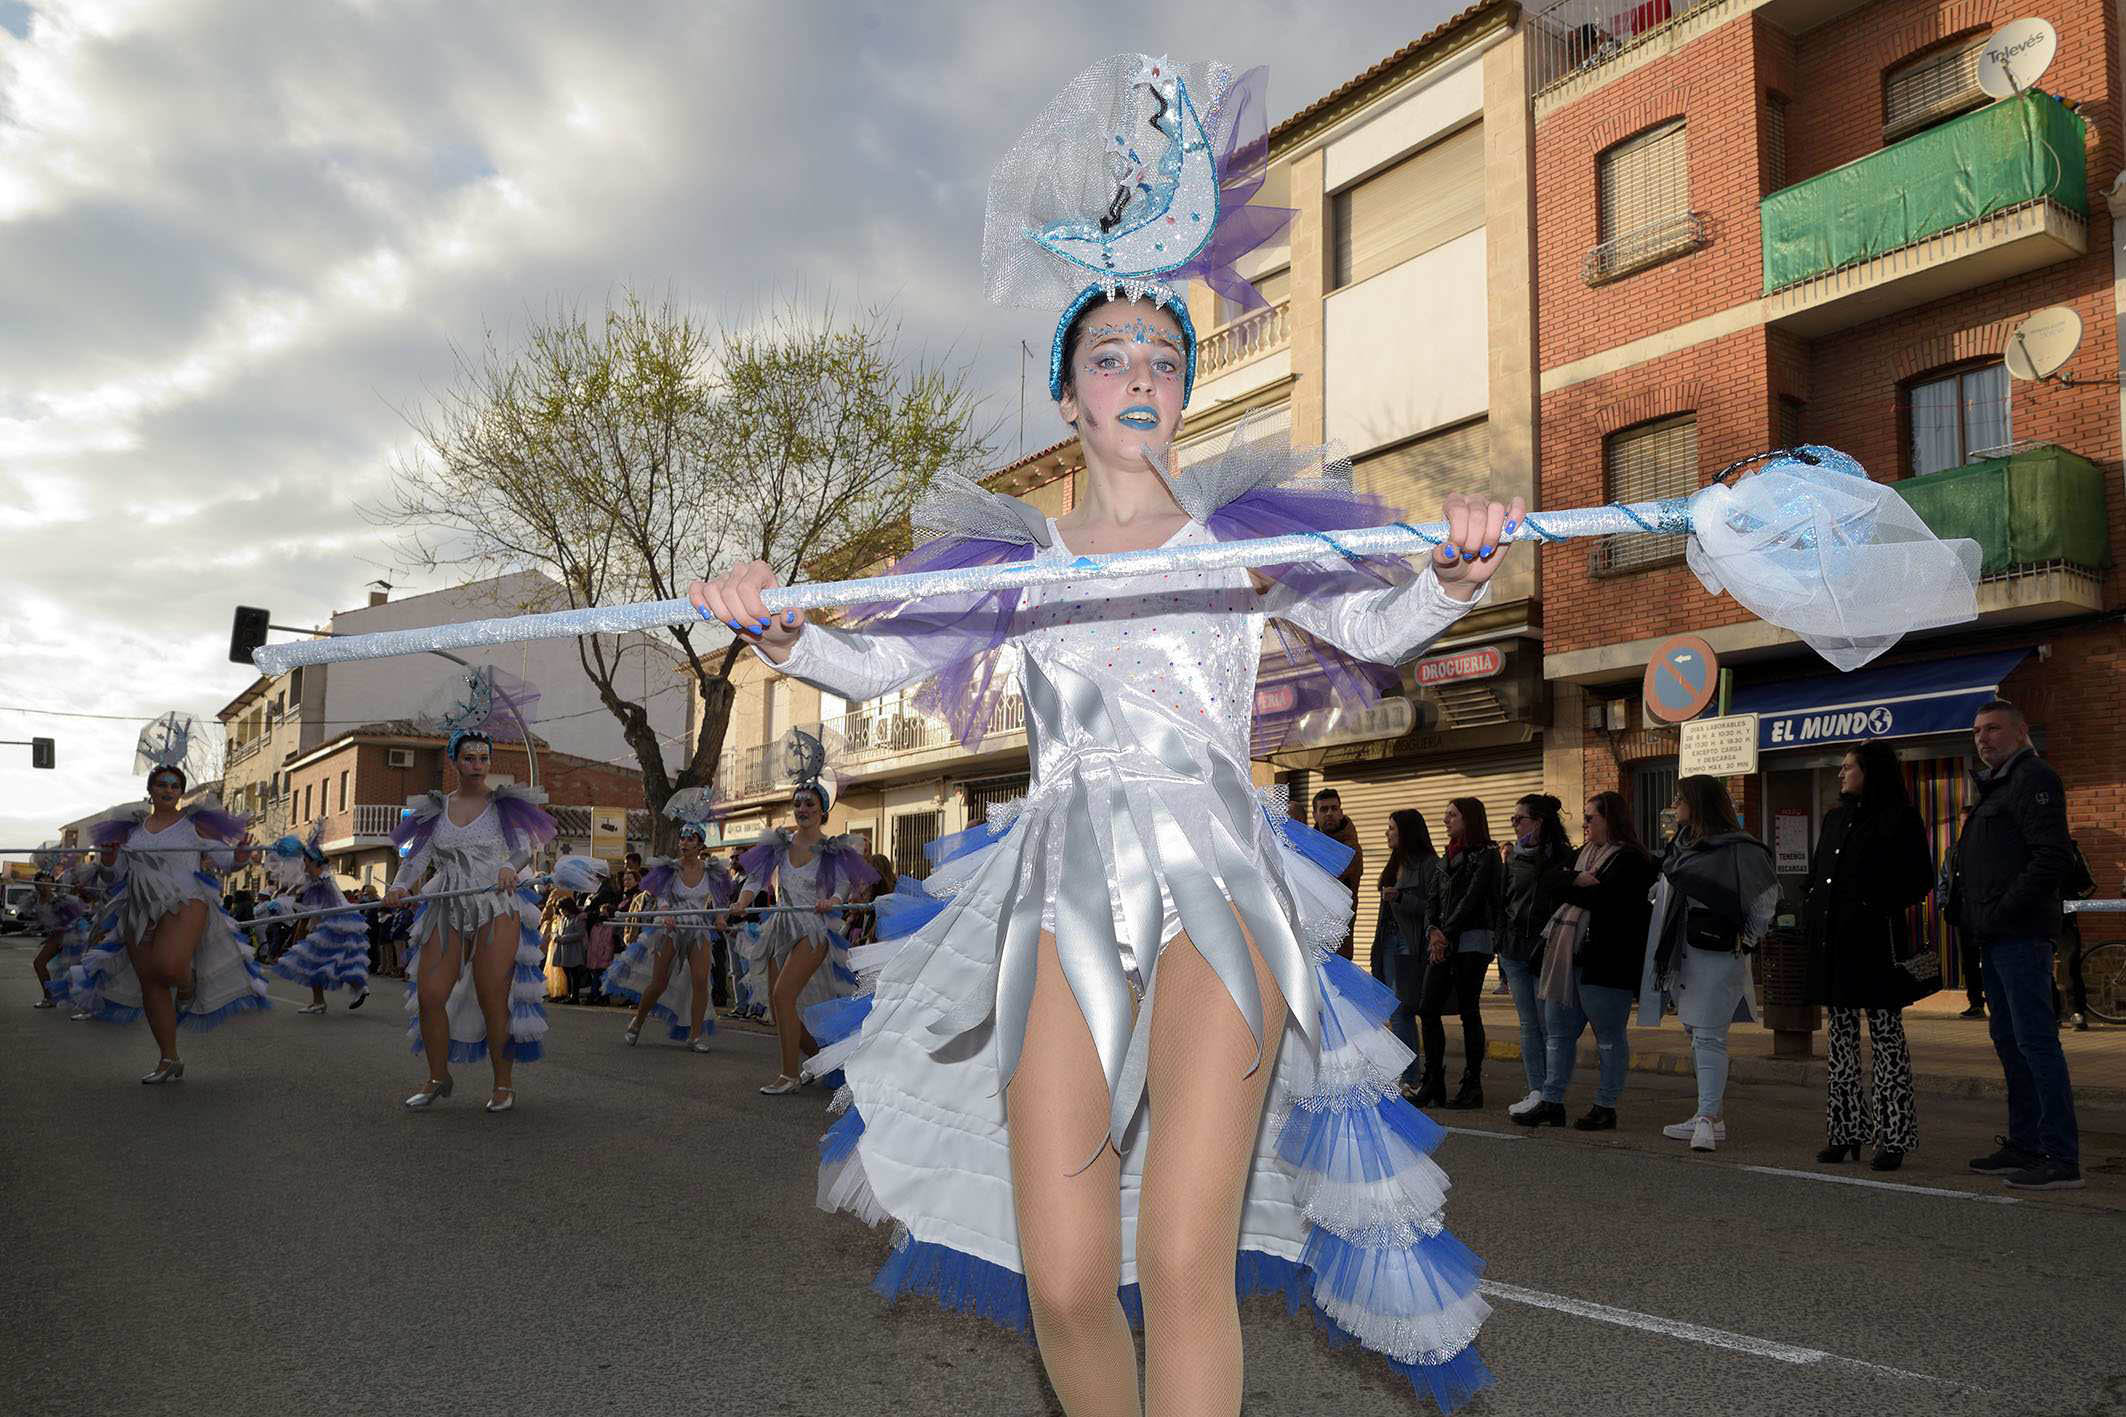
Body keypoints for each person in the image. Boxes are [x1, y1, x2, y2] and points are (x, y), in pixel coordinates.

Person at [691, 57, 1513, 1410]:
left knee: (1182, 1261)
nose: (1141, 373)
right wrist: (780, 634)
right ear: (1068, 396)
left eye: (1164, 356)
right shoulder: (1017, 560)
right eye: (1110, 355)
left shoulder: (1240, 535)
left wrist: (1454, 575)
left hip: (1217, 881)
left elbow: (1376, 630)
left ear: (1185, 393)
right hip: (1058, 881)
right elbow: (874, 657)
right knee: (1068, 1276)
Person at [385, 723, 556, 1113]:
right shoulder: (434, 809)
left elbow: (524, 849)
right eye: (469, 758)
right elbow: (417, 859)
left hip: (497, 902)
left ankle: (502, 1083)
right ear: (455, 761)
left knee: (492, 994)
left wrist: (510, 868)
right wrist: (398, 887)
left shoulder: (504, 804)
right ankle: (437, 1077)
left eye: (483, 758)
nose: (477, 765)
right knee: (429, 995)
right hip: (447, 903)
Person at [63, 763, 269, 1081]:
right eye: (162, 784)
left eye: (175, 785)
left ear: (180, 792)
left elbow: (228, 863)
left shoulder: (194, 827)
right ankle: (168, 1058)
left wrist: (241, 856)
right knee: (151, 982)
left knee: (171, 968)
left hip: (185, 900)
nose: (168, 789)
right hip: (138, 905)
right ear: (151, 789)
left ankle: (188, 982)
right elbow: (113, 876)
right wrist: (108, 858)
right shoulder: (131, 831)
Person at [1950, 700, 2081, 1190]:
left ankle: (2061, 1157)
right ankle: (2026, 1144)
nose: (1983, 738)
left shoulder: (2034, 779)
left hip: (2021, 935)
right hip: (1995, 936)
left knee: (2036, 1044)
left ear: (2021, 730)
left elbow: (2052, 858)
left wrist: (2002, 910)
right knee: (2009, 1042)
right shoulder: (1996, 785)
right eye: (1977, 731)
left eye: (1993, 729)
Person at [1803, 742, 1934, 1170]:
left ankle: (1892, 1138)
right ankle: (1843, 1132)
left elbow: (1920, 879)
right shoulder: (1835, 818)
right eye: (1840, 768)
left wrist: (1872, 905)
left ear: (1870, 772)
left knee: (1886, 1041)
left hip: (1877, 948)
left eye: (1849, 768)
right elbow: (1819, 873)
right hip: (1834, 947)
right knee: (1840, 1042)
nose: (1841, 774)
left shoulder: (1899, 818)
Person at [1640, 776, 1777, 1154]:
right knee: (1696, 1032)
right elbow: (1665, 888)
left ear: (1699, 803)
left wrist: (1744, 939)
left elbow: (1764, 900)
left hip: (1718, 953)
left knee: (1709, 1035)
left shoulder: (1740, 848)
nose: (1674, 803)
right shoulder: (1681, 845)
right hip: (1682, 952)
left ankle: (1706, 1118)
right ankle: (1709, 1115)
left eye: (1680, 797)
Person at [722, 763, 875, 1094]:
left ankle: (788, 1076)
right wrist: (743, 901)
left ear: (822, 810)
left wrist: (833, 900)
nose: (802, 809)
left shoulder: (832, 848)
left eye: (809, 804)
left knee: (782, 994)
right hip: (781, 926)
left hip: (813, 929)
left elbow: (844, 885)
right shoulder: (778, 844)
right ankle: (821, 1062)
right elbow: (756, 878)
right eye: (798, 804)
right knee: (781, 1010)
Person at [1517, 792, 1656, 1130]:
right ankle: (1552, 1101)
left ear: (1611, 819)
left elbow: (1607, 898)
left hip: (1606, 961)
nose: (1585, 824)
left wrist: (1572, 885)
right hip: (1566, 958)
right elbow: (1548, 881)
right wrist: (1574, 880)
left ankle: (1606, 1104)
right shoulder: (1583, 855)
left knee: (1608, 1037)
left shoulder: (1633, 860)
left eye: (1591, 818)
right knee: (1558, 1034)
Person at [605, 823, 735, 1051]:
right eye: (682, 839)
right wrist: (666, 913)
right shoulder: (671, 869)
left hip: (698, 929)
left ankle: (695, 1036)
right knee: (659, 982)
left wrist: (720, 918)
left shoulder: (711, 870)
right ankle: (638, 1021)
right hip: (671, 928)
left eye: (690, 839)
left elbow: (719, 901)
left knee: (700, 980)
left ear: (700, 844)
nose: (684, 843)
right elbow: (663, 898)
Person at [1415, 798, 1500, 1111]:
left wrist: (1444, 935)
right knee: (1427, 1008)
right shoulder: (1445, 855)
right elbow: (1432, 899)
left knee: (1468, 1010)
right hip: (1443, 940)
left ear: (1469, 818)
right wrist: (1432, 932)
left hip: (1472, 939)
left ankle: (1472, 1083)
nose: (1445, 820)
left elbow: (1473, 899)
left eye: (1452, 815)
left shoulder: (1486, 854)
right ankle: (1433, 1080)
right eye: (1446, 815)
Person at [1498, 795, 1573, 1117]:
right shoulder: (1512, 857)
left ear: (1539, 822)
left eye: (1520, 819)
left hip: (1545, 950)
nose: (1514, 825)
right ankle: (1536, 1088)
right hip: (1514, 950)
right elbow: (1504, 900)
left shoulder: (1561, 857)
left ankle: (1552, 1092)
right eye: (1513, 820)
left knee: (1549, 1024)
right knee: (1529, 1024)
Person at [265, 823, 372, 1014]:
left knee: (317, 960)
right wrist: (282, 904)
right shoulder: (315, 879)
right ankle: (352, 990)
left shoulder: (323, 878)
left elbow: (314, 902)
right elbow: (303, 900)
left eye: (305, 861)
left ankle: (329, 998)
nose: (303, 864)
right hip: (335, 922)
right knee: (335, 960)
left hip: (335, 922)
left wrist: (286, 904)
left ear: (314, 862)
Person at [1372, 808, 1440, 1102]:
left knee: (1402, 1011)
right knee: (1393, 1010)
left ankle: (1410, 1076)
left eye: (1392, 828)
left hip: (1408, 944)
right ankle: (1404, 1073)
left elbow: (1432, 907)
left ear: (1407, 832)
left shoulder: (1428, 864)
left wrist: (1400, 897)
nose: (1387, 833)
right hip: (1388, 940)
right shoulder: (1394, 863)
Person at [1312, 789, 1363, 961]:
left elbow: (1331, 876)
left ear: (1341, 813)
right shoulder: (1309, 842)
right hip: (1312, 930)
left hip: (1338, 934)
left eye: (1334, 808)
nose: (1330, 814)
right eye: (1324, 809)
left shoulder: (1350, 848)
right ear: (1315, 815)